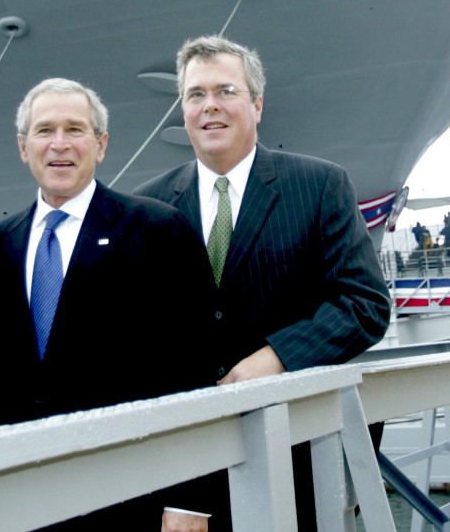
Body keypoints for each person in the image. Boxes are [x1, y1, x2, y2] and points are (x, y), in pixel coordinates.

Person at [135, 35, 391, 529]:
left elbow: (364, 304)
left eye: (226, 91)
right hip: (193, 465)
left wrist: (276, 357)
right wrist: (176, 497)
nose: (210, 106)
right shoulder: (150, 207)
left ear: (256, 104)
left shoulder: (318, 186)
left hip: (300, 455)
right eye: (195, 95)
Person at [0, 78, 215, 531]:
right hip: (22, 500)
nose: (59, 144)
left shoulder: (156, 231)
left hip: (131, 498)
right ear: (23, 147)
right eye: (44, 131)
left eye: (75, 129)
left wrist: (190, 500)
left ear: (100, 145)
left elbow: (193, 369)